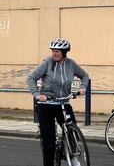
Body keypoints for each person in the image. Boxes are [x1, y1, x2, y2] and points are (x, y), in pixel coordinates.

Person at [27, 38, 89, 166]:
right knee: (48, 142)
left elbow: (84, 75)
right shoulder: (47, 63)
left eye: (57, 51)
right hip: (46, 105)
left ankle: (71, 156)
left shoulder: (71, 64)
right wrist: (37, 95)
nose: (54, 54)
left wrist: (83, 87)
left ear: (64, 52)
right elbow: (31, 78)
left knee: (72, 133)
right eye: (53, 51)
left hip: (63, 104)